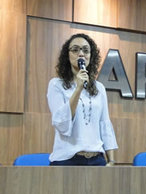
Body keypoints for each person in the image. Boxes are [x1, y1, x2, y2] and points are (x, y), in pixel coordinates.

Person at [47, 33, 118, 166]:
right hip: (67, 159)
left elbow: (105, 124)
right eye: (75, 49)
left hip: (97, 159)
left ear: (91, 56)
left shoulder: (99, 88)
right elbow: (61, 124)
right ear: (67, 56)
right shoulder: (56, 84)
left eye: (86, 50)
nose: (81, 54)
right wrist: (78, 88)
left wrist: (112, 160)